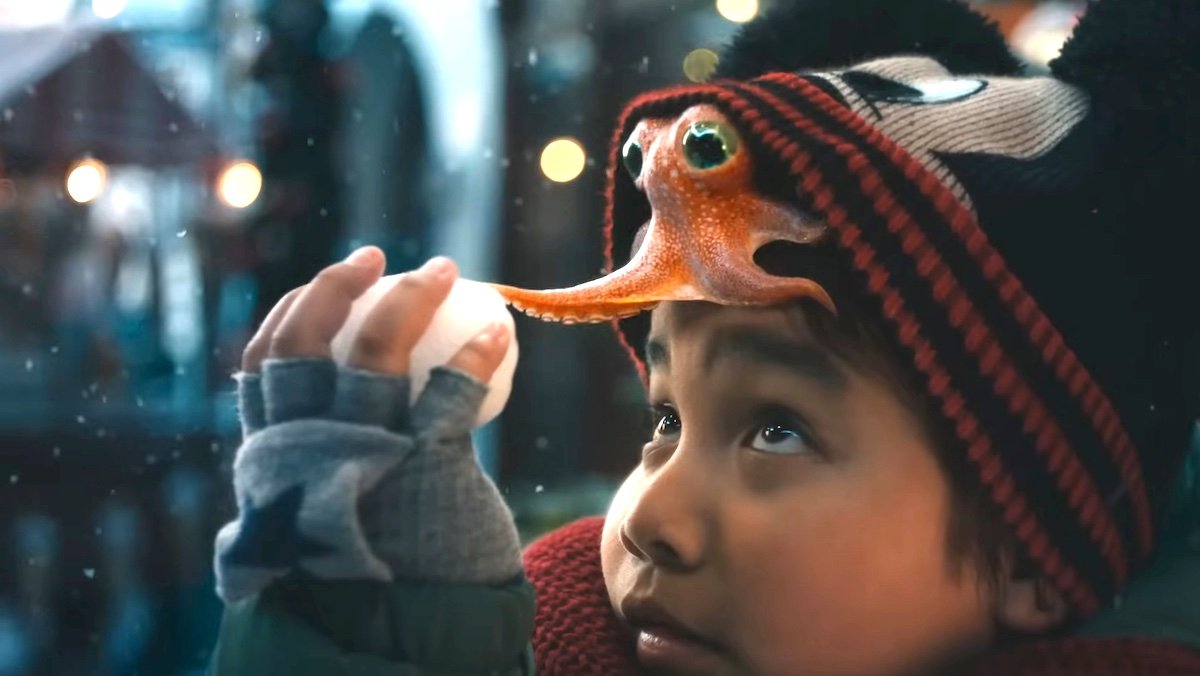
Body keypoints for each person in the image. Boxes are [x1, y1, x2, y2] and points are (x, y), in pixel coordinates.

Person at [208, 0, 1200, 673]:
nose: (649, 518)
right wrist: (360, 613)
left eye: (776, 429)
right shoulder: (529, 631)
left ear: (1032, 548)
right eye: (664, 416)